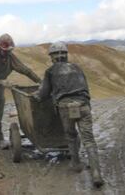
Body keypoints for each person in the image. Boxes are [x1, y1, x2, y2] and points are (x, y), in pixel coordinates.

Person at [32, 41, 104, 189]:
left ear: (52, 56)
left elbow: (44, 93)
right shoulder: (77, 67)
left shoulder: (50, 71)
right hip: (83, 104)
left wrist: (36, 96)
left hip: (65, 107)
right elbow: (85, 87)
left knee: (71, 135)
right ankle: (96, 173)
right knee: (89, 138)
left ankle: (76, 163)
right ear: (65, 54)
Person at [0, 33, 41, 149]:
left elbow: (25, 70)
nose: (7, 53)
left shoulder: (10, 58)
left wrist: (40, 82)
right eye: (5, 51)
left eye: (9, 51)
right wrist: (1, 82)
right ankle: (1, 139)